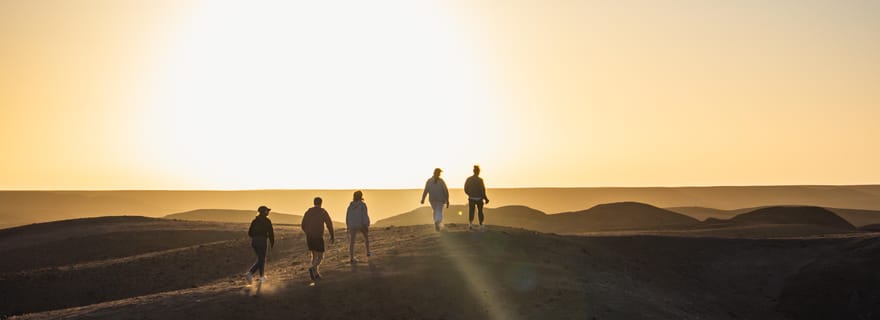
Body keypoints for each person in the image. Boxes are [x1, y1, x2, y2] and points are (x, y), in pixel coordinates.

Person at [301, 197, 335, 281]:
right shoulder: (322, 211)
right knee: (320, 256)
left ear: (314, 203)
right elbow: (329, 224)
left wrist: (307, 232)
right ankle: (313, 268)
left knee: (314, 255)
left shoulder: (308, 211)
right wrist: (332, 235)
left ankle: (316, 274)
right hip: (318, 236)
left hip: (310, 236)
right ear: (321, 203)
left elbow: (303, 224)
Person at [246, 205, 275, 284]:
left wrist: (255, 237)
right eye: (267, 211)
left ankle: (261, 277)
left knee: (260, 259)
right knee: (261, 259)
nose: (268, 212)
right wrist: (272, 242)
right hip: (262, 241)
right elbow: (271, 233)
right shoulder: (267, 221)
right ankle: (250, 273)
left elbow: (250, 233)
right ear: (264, 212)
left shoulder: (255, 221)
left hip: (254, 241)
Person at [421, 168, 450, 232]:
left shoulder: (429, 181)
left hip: (432, 199)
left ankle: (437, 223)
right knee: (439, 211)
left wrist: (423, 199)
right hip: (440, 199)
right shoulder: (441, 181)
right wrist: (447, 200)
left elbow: (426, 190)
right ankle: (438, 222)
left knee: (435, 211)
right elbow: (445, 190)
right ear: (439, 173)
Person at [346, 190, 371, 263]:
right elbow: (364, 215)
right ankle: (368, 252)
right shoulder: (362, 205)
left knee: (352, 241)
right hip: (360, 224)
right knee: (366, 237)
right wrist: (366, 223)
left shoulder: (350, 206)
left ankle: (351, 257)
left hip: (352, 224)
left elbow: (347, 216)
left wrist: (348, 225)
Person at [464, 165, 490, 231]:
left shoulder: (469, 179)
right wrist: (485, 198)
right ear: (478, 172)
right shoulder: (480, 180)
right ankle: (481, 224)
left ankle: (470, 224)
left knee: (471, 211)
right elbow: (483, 190)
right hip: (479, 198)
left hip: (471, 198)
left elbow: (465, 188)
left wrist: (469, 194)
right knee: (480, 211)